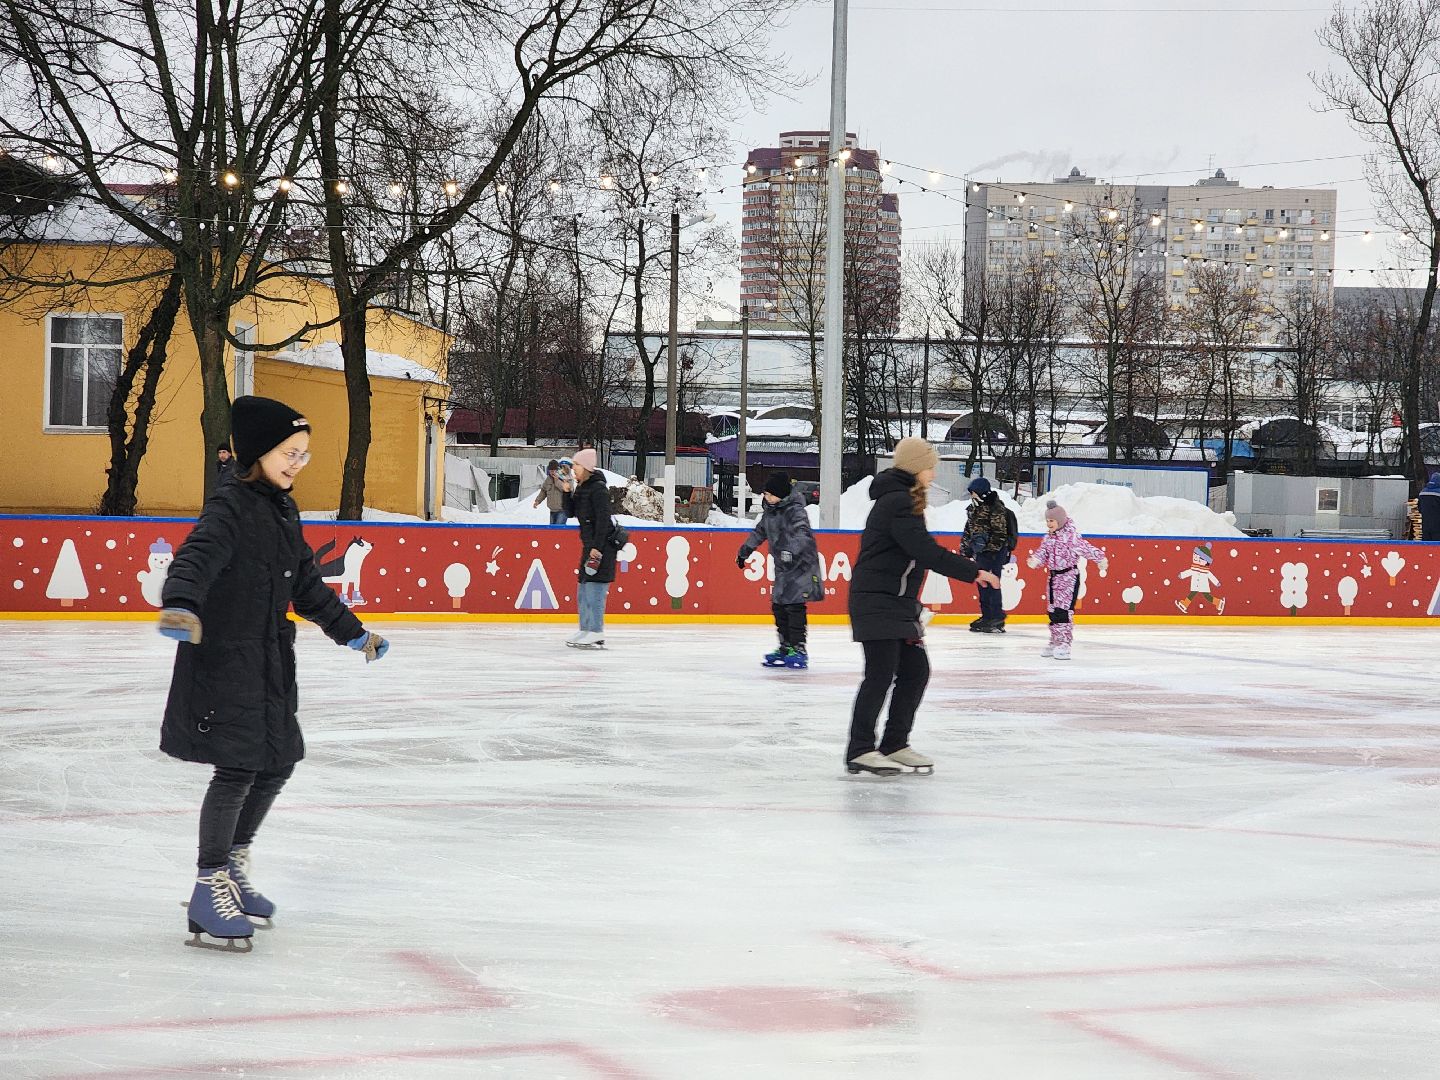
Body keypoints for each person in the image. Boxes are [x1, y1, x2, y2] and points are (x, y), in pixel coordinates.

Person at [156, 395, 389, 951]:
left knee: (279, 760)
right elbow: (194, 559)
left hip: (269, 661)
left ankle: (233, 864)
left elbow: (306, 585)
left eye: (304, 454)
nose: (297, 464)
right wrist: (181, 604)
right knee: (238, 768)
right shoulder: (229, 507)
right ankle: (209, 884)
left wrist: (353, 633)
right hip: (225, 661)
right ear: (257, 452)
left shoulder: (283, 510)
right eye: (289, 453)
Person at [846, 437, 1001, 776]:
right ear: (916, 468)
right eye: (930, 466)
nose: (934, 473)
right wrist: (974, 571)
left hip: (896, 603)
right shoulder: (898, 502)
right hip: (878, 601)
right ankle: (860, 749)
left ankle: (894, 743)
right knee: (880, 674)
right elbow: (924, 550)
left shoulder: (902, 498)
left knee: (915, 671)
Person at [737, 471, 822, 669]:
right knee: (778, 606)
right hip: (783, 568)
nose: (766, 497)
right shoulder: (771, 511)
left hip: (801, 566)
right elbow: (759, 532)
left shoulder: (795, 511)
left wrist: (789, 552)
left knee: (794, 606)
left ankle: (798, 648)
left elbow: (802, 536)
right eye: (765, 494)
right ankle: (785, 646)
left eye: (769, 494)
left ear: (780, 494)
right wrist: (744, 552)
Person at [1027, 500, 1107, 661]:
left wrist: (1100, 558)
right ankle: (1055, 640)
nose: (1049, 524)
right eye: (1047, 521)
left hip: (1068, 577)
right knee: (1052, 611)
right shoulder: (1048, 538)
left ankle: (1064, 643)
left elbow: (1086, 548)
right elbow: (1043, 552)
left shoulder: (1071, 538)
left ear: (1060, 521)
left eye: (1052, 521)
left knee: (1063, 612)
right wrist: (1036, 560)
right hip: (1053, 578)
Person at [568, 448, 615, 649]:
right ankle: (586, 629)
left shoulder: (598, 489)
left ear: (586, 467)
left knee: (595, 590)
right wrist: (566, 491)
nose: (573, 469)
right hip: (589, 547)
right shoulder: (582, 487)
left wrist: (597, 547)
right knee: (583, 589)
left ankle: (596, 631)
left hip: (601, 547)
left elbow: (604, 520)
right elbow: (570, 512)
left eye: (577, 465)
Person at [960, 476, 1018, 634]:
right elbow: (968, 529)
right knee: (982, 584)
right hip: (980, 553)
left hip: (994, 553)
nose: (972, 495)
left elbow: (999, 533)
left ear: (981, 492)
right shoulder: (973, 508)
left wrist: (991, 550)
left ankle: (997, 616)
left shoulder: (995, 508)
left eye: (974, 492)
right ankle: (987, 616)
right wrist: (966, 548)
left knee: (992, 583)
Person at [532, 459, 570, 525]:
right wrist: (538, 501)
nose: (552, 472)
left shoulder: (563, 477)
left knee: (558, 529)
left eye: (554, 470)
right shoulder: (548, 479)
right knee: (552, 530)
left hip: (562, 510)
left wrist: (557, 481)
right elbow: (543, 491)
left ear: (558, 470)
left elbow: (567, 489)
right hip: (552, 510)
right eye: (550, 470)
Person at [1419, 473, 1440, 541]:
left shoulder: (1422, 492)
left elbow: (1420, 509)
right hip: (1438, 527)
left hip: (1425, 526)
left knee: (1427, 545)